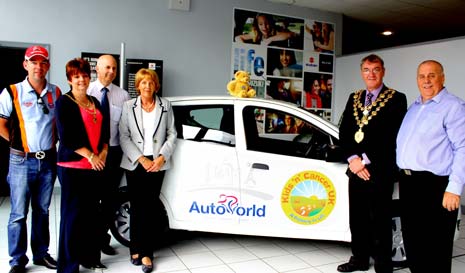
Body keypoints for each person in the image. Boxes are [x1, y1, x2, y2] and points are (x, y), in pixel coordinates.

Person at [338, 54, 407, 273]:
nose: (371, 74)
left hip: (380, 169)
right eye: (367, 70)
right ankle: (359, 259)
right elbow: (345, 131)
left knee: (380, 218)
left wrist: (364, 160)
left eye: (376, 69)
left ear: (383, 71)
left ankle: (382, 263)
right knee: (357, 217)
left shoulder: (396, 98)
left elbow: (391, 135)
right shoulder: (354, 97)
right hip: (356, 170)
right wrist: (353, 160)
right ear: (361, 72)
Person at [396, 60, 465, 273]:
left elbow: (463, 148)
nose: (426, 80)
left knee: (436, 250)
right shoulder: (414, 107)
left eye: (432, 75)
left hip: (435, 186)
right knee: (414, 246)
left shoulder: (453, 106)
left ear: (442, 78)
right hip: (409, 185)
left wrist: (454, 188)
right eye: (422, 76)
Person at [0, 45, 60, 273]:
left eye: (42, 62)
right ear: (25, 64)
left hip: (47, 161)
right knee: (18, 213)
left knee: (42, 210)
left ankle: (41, 254)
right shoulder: (12, 91)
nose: (38, 66)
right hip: (21, 161)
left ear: (48, 66)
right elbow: (1, 124)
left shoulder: (55, 92)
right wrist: (19, 145)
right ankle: (17, 260)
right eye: (33, 62)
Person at [119, 68, 176, 273]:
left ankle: (146, 254)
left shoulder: (165, 105)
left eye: (151, 82)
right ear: (138, 86)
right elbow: (123, 136)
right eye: (143, 82)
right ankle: (135, 248)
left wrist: (161, 157)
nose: (147, 86)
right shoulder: (128, 106)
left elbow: (172, 134)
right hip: (136, 163)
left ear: (156, 85)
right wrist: (140, 158)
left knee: (150, 208)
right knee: (137, 206)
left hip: (157, 164)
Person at [55, 58, 109, 273]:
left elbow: (105, 133)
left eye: (85, 75)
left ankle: (89, 257)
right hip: (72, 167)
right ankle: (68, 266)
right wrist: (91, 156)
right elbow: (67, 137)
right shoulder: (64, 102)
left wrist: (103, 153)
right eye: (76, 76)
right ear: (69, 79)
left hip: (94, 167)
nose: (81, 80)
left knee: (90, 216)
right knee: (72, 217)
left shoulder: (95, 101)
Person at [87, 54, 130, 256]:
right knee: (90, 201)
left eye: (114, 68)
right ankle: (89, 242)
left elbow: (126, 128)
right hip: (91, 156)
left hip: (113, 154)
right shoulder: (86, 91)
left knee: (109, 200)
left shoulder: (123, 95)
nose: (111, 71)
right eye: (107, 68)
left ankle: (103, 240)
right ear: (97, 68)